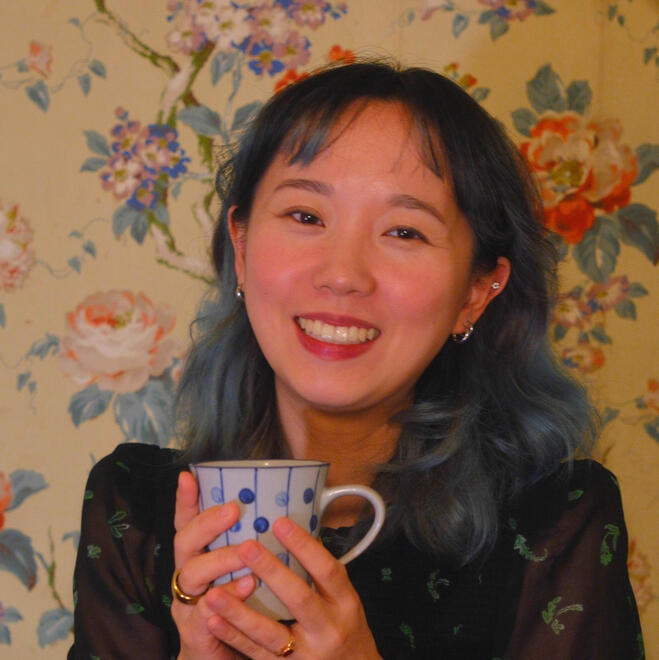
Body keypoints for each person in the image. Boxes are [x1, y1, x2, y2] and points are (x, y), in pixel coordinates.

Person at [68, 61, 644, 659]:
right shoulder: (133, 510)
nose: (342, 274)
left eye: (404, 232)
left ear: (475, 292)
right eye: (306, 216)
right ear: (240, 246)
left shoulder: (557, 522)